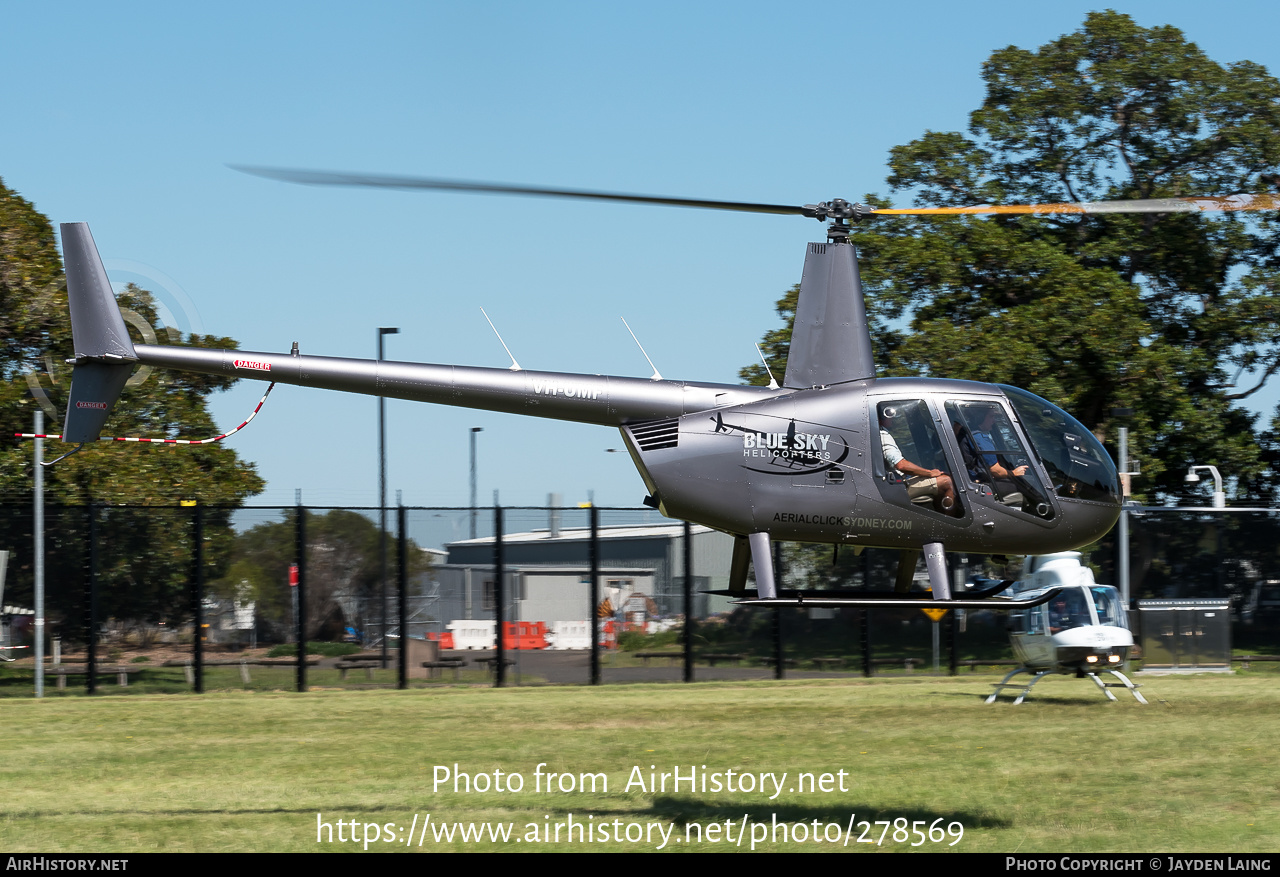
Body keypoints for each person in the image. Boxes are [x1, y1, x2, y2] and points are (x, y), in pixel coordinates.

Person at [879, 415, 959, 515]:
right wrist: (929, 473)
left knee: (943, 478)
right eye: (887, 415)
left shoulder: (880, 433)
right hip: (896, 486)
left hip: (894, 482)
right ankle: (949, 526)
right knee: (947, 482)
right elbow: (901, 465)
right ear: (879, 418)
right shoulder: (882, 435)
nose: (892, 418)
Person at [971, 408, 1028, 502]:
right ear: (980, 417)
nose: (994, 421)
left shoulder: (971, 435)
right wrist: (1014, 473)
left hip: (976, 481)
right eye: (991, 416)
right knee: (1024, 485)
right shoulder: (980, 438)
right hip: (981, 485)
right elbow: (995, 470)